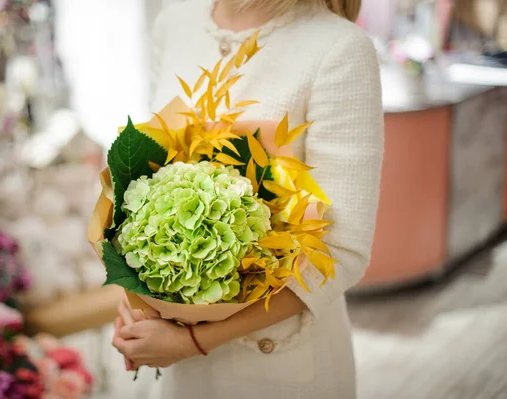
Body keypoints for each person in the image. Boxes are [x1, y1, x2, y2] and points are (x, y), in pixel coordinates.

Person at [112, 0, 384, 397]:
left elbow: (343, 250)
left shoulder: (338, 48)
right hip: (177, 373)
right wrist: (139, 302)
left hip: (278, 363)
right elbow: (148, 176)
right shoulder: (175, 22)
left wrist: (193, 342)